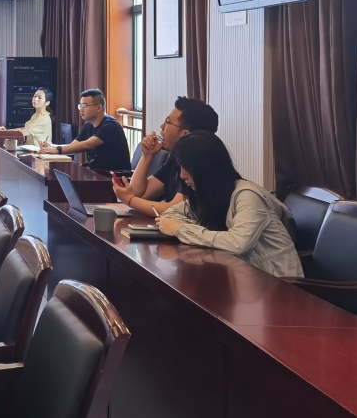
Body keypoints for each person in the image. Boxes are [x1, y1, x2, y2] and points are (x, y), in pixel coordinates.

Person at [158, 132, 302, 278]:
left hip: (276, 281)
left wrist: (180, 230)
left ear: (206, 168)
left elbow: (238, 243)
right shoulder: (211, 195)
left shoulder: (248, 195)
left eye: (186, 168)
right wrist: (185, 228)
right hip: (241, 275)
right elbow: (170, 213)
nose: (182, 175)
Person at [114, 97, 219, 216]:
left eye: (167, 122)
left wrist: (130, 200)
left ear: (185, 134)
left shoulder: (200, 163)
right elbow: (138, 194)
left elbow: (175, 209)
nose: (162, 126)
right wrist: (147, 155)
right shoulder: (175, 158)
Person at [40, 88, 131, 172]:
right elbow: (73, 146)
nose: (81, 110)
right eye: (80, 106)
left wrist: (57, 150)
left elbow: (88, 144)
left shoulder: (111, 125)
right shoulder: (88, 125)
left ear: (98, 108)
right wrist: (52, 146)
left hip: (115, 177)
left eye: (84, 106)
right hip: (98, 174)